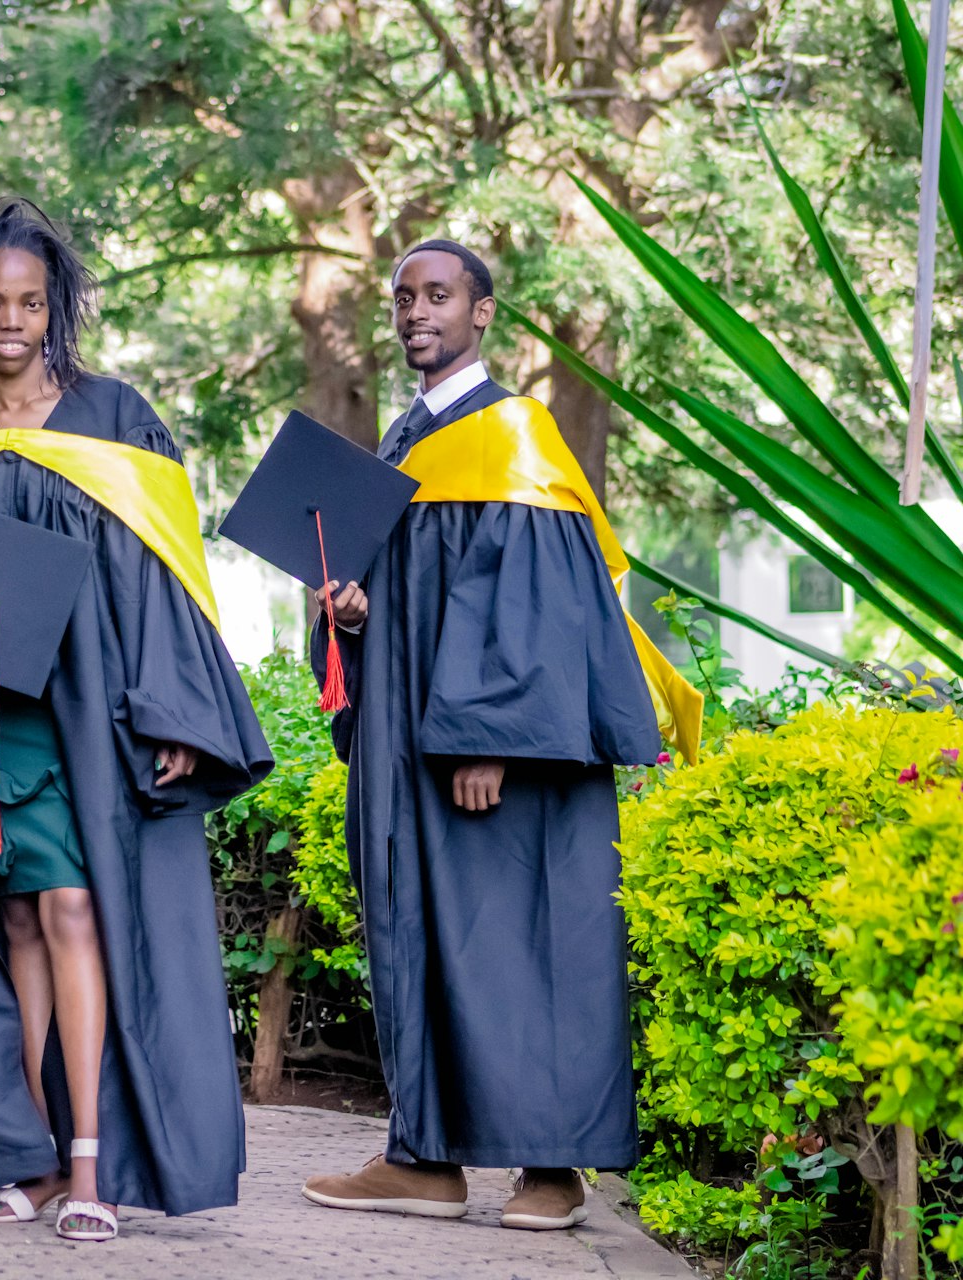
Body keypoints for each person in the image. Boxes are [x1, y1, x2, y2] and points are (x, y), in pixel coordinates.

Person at [0, 198, 272, 1242]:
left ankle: (90, 1158)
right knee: (16, 923)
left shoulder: (116, 418)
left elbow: (169, 575)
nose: (11, 321)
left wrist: (175, 712)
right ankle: (35, 1157)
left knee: (78, 910)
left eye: (30, 303)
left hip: (89, 713)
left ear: (55, 307)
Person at [301, 239, 700, 1230]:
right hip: (407, 748)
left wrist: (490, 737)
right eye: (403, 297)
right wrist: (351, 614)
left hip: (492, 755)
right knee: (422, 940)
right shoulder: (404, 441)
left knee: (522, 942)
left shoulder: (514, 436)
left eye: (438, 295)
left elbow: (535, 604)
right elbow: (403, 598)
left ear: (482, 312)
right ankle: (424, 1158)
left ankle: (553, 1170)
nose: (416, 312)